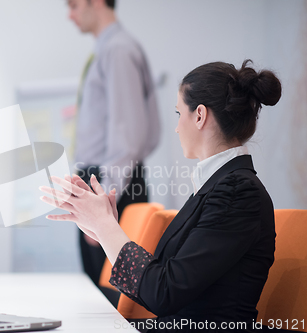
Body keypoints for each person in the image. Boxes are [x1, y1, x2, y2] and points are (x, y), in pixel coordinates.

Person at [40, 60, 281, 332]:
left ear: (200, 115)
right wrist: (103, 227)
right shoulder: (219, 185)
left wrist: (106, 227)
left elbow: (163, 293)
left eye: (180, 114)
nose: (177, 128)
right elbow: (158, 283)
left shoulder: (237, 192)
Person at [67, 0, 160, 289]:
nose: (70, 15)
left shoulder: (118, 50)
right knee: (101, 289)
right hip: (105, 182)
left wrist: (102, 206)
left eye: (73, 5)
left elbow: (127, 136)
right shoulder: (108, 49)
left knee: (112, 295)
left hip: (110, 185)